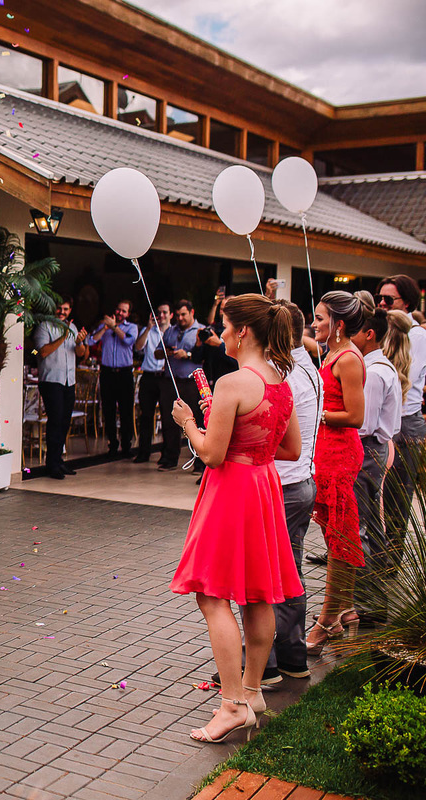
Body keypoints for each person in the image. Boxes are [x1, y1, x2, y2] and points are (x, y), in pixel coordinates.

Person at [170, 294, 303, 743]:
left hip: (231, 492)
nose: (219, 332)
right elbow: (291, 449)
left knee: (213, 595)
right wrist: (248, 444)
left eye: (224, 325)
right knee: (257, 594)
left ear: (243, 331)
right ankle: (252, 692)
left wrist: (189, 422)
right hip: (262, 487)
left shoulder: (231, 383)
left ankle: (231, 704)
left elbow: (212, 453)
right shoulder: (281, 381)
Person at [264, 303, 322, 682]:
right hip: (302, 483)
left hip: (284, 485)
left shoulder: (285, 376)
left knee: (269, 574)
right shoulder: (310, 369)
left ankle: (264, 662)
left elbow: (272, 437)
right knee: (291, 571)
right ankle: (292, 655)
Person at [306, 291, 367, 656]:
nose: (315, 324)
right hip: (326, 455)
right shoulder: (331, 352)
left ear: (339, 325)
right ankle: (345, 610)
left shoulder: (348, 359)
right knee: (333, 539)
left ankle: (328, 619)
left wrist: (320, 414)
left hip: (341, 457)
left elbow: (356, 417)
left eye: (320, 318)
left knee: (341, 541)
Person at [351, 309, 413, 624]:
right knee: (373, 528)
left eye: (355, 330)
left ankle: (368, 603)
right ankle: (374, 599)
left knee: (363, 529)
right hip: (376, 450)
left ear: (370, 334)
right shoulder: (381, 366)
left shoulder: (374, 372)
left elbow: (363, 423)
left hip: (367, 450)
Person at [376, 275, 426, 606]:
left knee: (396, 501)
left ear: (406, 303)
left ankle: (387, 571)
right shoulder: (384, 330)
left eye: (387, 299)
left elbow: (406, 380)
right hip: (387, 422)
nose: (381, 303)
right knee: (375, 501)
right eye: (379, 298)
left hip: (405, 425)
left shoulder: (416, 335)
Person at [34, 298, 88, 479]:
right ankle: (51, 464)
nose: (62, 312)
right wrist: (64, 336)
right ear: (54, 309)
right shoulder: (44, 326)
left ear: (70, 310)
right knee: (55, 421)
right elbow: (42, 351)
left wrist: (80, 342)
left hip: (68, 381)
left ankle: (59, 461)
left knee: (65, 422)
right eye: (59, 308)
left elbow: (81, 355)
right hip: (51, 380)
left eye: (65, 309)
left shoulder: (73, 328)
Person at [158, 300, 204, 472]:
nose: (180, 318)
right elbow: (157, 352)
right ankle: (170, 458)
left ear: (192, 313)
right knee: (169, 420)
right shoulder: (170, 331)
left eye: (183, 314)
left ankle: (199, 462)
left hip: (191, 381)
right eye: (177, 315)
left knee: (196, 420)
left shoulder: (201, 330)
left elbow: (205, 356)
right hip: (171, 380)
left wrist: (188, 354)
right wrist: (167, 352)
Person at [89, 300, 138, 458]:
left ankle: (126, 445)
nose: (120, 313)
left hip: (124, 373)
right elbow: (91, 341)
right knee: (108, 410)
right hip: (107, 372)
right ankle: (112, 443)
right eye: (118, 309)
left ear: (128, 314)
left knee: (126, 410)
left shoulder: (132, 327)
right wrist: (105, 328)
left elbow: (129, 341)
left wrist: (114, 327)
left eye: (124, 311)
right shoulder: (105, 326)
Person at [133, 303, 170, 464]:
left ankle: (166, 454)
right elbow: (138, 346)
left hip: (164, 377)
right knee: (146, 416)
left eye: (164, 312)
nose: (161, 315)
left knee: (167, 416)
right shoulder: (149, 330)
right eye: (158, 312)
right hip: (148, 376)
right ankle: (143, 453)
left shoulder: (173, 332)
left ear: (170, 315)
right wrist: (148, 328)